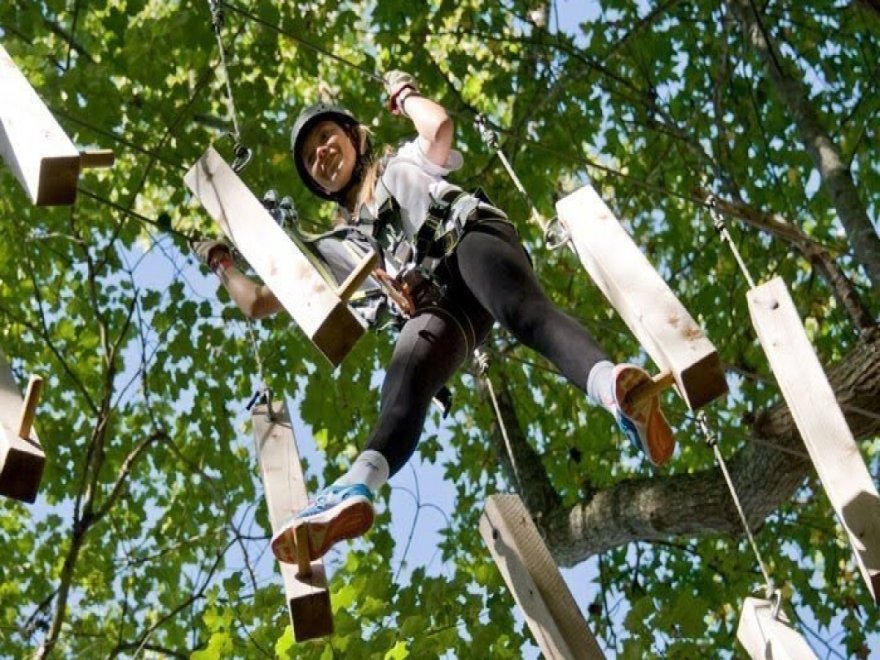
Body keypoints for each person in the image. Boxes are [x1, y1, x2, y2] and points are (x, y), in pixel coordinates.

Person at [194, 71, 675, 566]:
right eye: (310, 158)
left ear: (354, 135)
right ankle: (354, 486)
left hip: (467, 242)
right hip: (439, 305)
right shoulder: (338, 249)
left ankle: (612, 387)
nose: (320, 155)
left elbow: (440, 126)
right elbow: (257, 302)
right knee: (407, 376)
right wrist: (222, 262)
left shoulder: (402, 162)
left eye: (325, 138)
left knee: (523, 314)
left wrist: (404, 93)